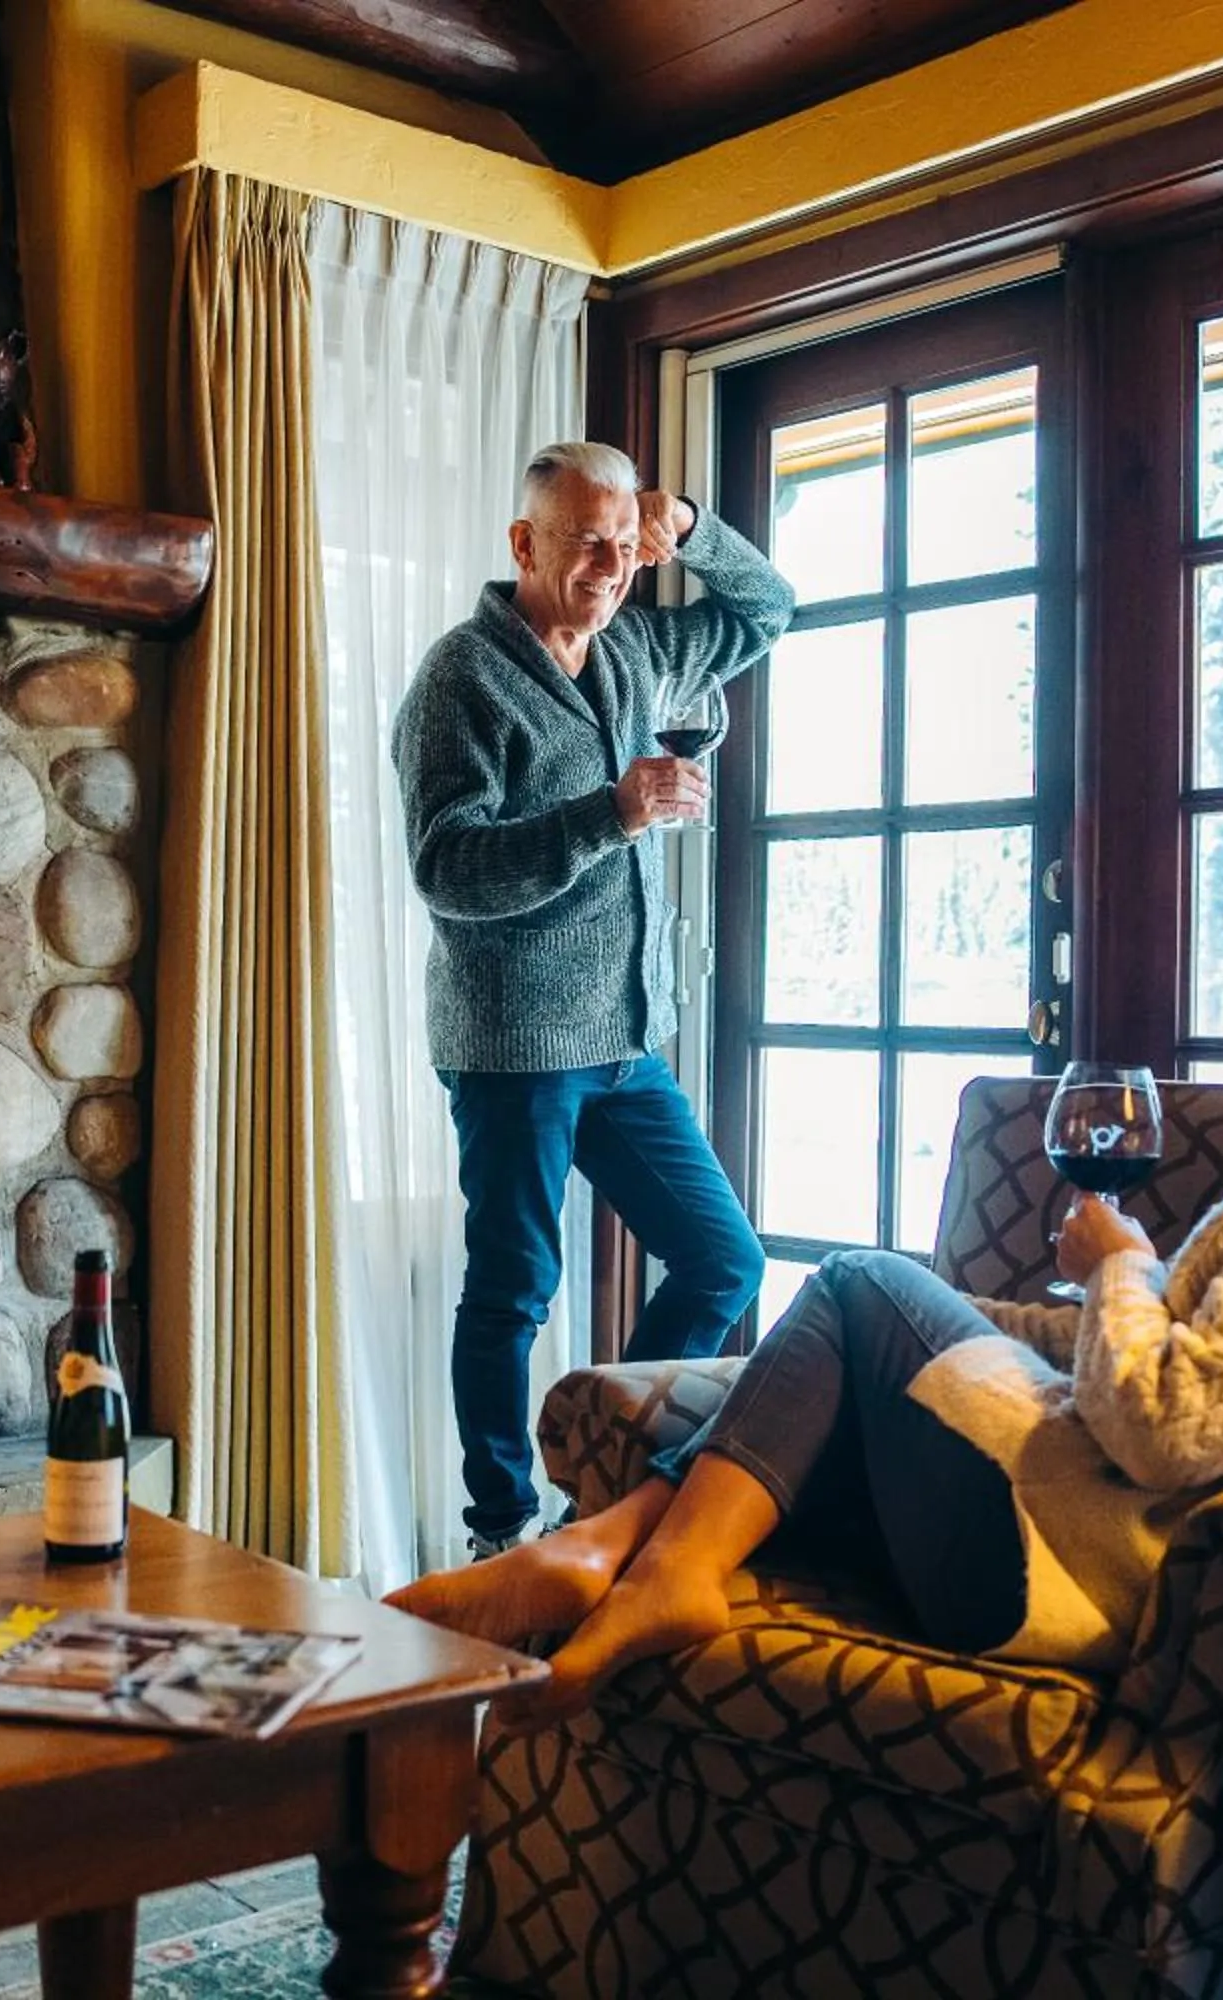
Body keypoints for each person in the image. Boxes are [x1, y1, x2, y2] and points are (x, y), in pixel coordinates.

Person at [392, 833, 1223, 1718]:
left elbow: (1164, 1417)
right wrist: (980, 1316)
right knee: (851, 1339)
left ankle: (649, 1560)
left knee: (855, 1278)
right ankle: (611, 1547)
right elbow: (1204, 1370)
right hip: (1071, 1537)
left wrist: (1120, 1266)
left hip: (1057, 1566)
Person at [391, 442, 797, 1561]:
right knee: (516, 1286)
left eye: (626, 546)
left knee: (725, 1262)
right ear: (524, 543)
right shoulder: (459, 682)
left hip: (624, 1038)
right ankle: (500, 1526)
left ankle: (615, 1479)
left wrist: (695, 528)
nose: (612, 568)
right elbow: (446, 868)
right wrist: (606, 817)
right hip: (512, 1040)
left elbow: (771, 609)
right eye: (587, 544)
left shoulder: (634, 648)